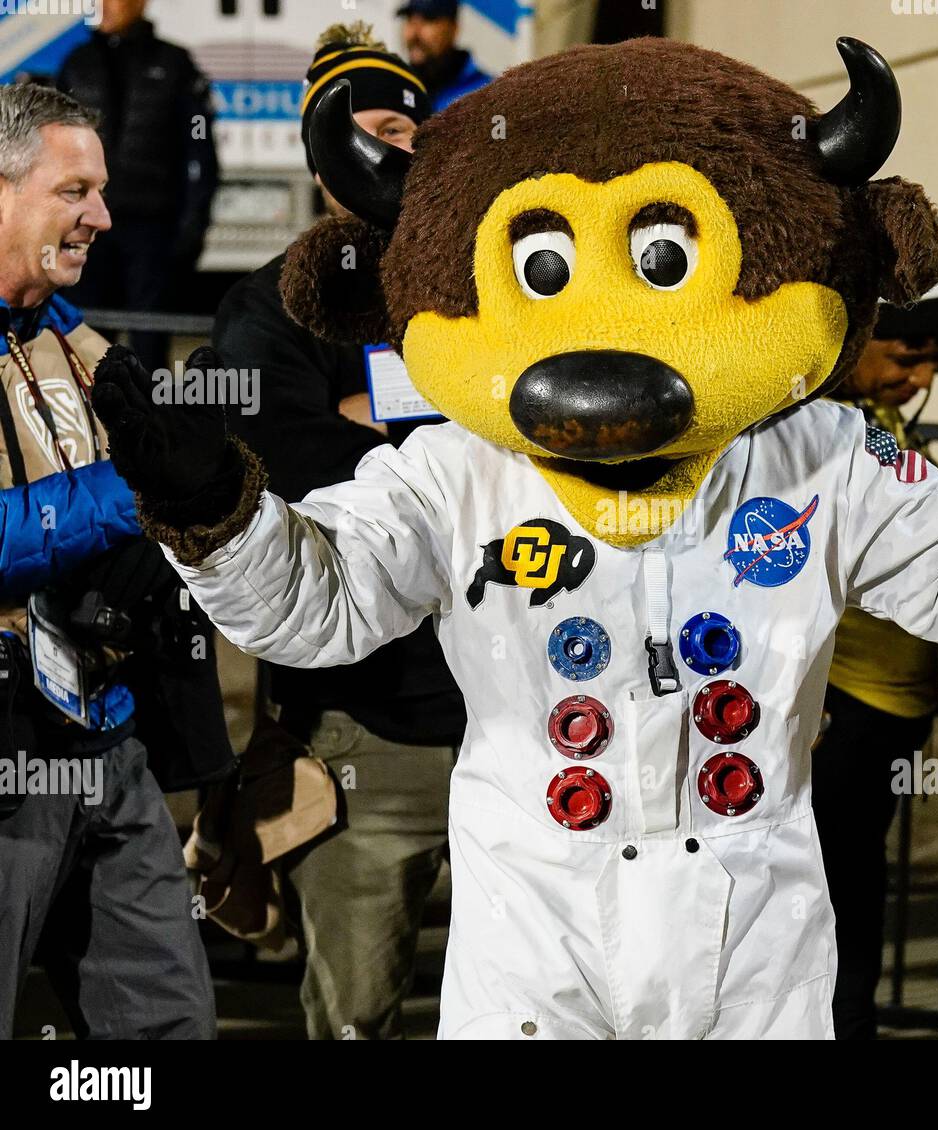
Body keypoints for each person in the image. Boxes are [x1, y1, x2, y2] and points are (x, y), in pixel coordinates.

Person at [93, 38, 938, 1040]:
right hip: (529, 951)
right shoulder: (460, 466)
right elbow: (321, 594)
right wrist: (219, 515)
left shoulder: (821, 454)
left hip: (750, 940)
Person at [212, 24, 465, 1041]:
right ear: (319, 155)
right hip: (367, 731)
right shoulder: (269, 305)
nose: (380, 148)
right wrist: (438, 443)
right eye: (355, 129)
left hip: (518, 711)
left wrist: (374, 428)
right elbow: (275, 458)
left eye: (400, 125)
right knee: (355, 1017)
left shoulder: (478, 288)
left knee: (535, 1001)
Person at [0, 82, 216, 1040]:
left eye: (102, 189)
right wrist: (133, 493)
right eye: (73, 189)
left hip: (106, 730)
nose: (103, 214)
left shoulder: (76, 340)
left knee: (167, 1028)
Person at [814, 218, 938, 1039]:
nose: (923, 375)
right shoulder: (809, 429)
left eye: (937, 356)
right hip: (835, 713)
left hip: (887, 712)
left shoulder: (874, 419)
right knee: (825, 902)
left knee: (857, 888)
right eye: (907, 355)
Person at [56, 0, 219, 373]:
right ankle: (90, 423)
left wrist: (194, 223)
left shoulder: (174, 64)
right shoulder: (78, 64)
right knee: (87, 339)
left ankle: (150, 424)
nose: (102, 6)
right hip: (87, 227)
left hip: (152, 228)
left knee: (149, 337)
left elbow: (202, 151)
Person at [396, 0, 491, 109]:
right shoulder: (395, 87)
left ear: (453, 28)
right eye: (409, 20)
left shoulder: (486, 94)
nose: (414, 33)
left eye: (428, 19)